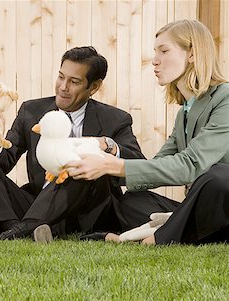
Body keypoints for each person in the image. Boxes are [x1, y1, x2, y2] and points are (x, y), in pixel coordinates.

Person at [0, 46, 145, 241]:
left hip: (90, 213)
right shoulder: (31, 111)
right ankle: (14, 229)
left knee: (77, 164)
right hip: (37, 205)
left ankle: (19, 232)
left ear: (94, 87)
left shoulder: (115, 119)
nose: (63, 87)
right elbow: (3, 163)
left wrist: (108, 145)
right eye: (61, 77)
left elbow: (138, 165)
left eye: (74, 81)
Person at [69, 20, 229, 245]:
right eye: (155, 52)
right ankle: (180, 228)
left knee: (220, 177)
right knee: (134, 200)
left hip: (222, 202)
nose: (154, 60)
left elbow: (191, 165)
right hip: (201, 211)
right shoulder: (184, 112)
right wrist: (104, 158)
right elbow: (160, 165)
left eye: (164, 51)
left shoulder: (225, 98)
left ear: (192, 54)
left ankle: (160, 235)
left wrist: (110, 165)